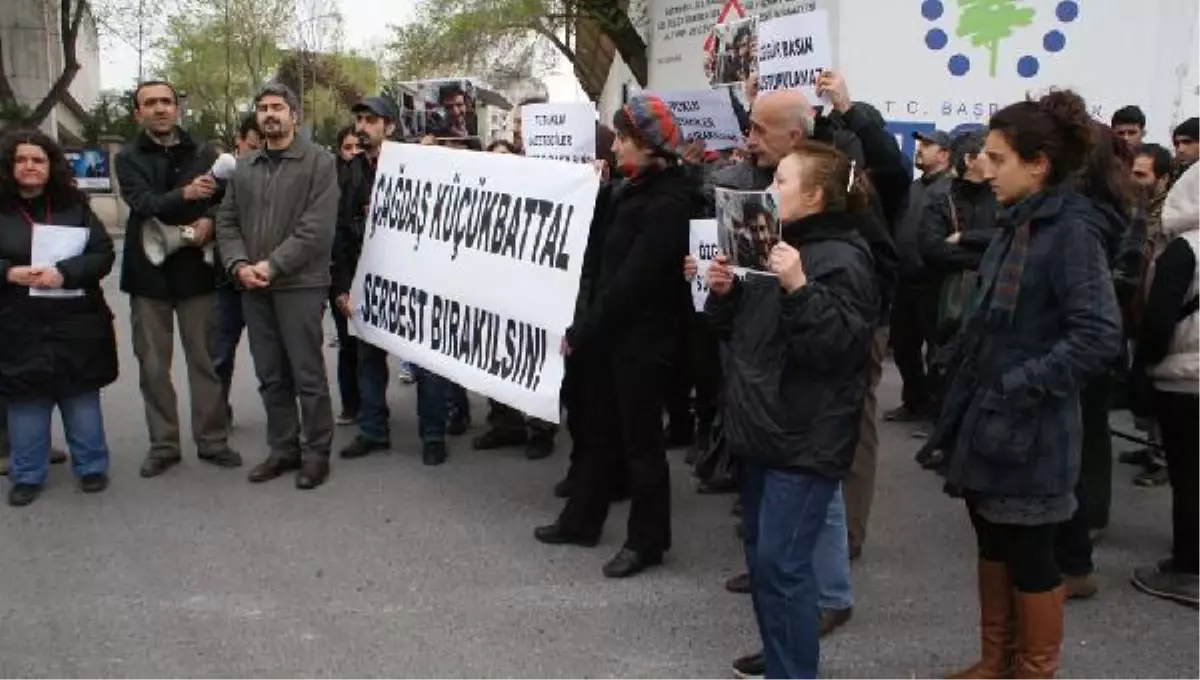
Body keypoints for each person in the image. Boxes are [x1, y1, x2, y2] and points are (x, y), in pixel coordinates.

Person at [931, 90, 1122, 678]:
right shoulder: (1017, 223)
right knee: (992, 541)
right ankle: (996, 662)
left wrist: (1019, 384)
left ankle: (1034, 670)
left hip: (1031, 427)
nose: (982, 168)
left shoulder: (1071, 232)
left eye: (997, 157)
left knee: (1033, 555)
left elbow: (1096, 335)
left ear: (1037, 163)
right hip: (988, 422)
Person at [705, 141, 879, 680]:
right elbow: (744, 333)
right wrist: (725, 292)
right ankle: (783, 656)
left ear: (815, 195)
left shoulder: (843, 258)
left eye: (781, 181)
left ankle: (792, 669)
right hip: (763, 426)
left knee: (782, 567)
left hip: (804, 438)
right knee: (766, 565)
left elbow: (841, 349)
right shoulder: (773, 244)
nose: (769, 190)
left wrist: (799, 287)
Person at [534, 94, 690, 579]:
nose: (616, 146)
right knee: (597, 433)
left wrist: (583, 330)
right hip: (610, 338)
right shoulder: (630, 188)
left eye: (623, 138)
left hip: (643, 344)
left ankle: (647, 541)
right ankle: (582, 519)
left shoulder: (669, 202)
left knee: (642, 448)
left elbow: (631, 283)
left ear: (648, 146)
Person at [215, 82, 339, 490]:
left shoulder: (319, 162)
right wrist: (238, 265)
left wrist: (272, 265)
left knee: (307, 374)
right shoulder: (245, 166)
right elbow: (227, 221)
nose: (270, 114)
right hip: (252, 285)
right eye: (263, 108)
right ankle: (284, 448)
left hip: (300, 284)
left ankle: (316, 452)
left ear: (294, 115)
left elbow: (316, 228)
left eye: (278, 107)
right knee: (270, 374)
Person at [115, 80, 241, 477]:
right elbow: (143, 204)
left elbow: (225, 200)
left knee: (205, 361)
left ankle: (212, 440)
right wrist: (185, 196)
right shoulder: (128, 157)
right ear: (138, 113)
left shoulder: (204, 152)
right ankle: (164, 445)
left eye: (166, 102)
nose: (159, 108)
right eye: (149, 103)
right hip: (147, 276)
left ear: (177, 108)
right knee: (153, 367)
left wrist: (208, 219)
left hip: (196, 272)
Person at [0, 129, 119, 506]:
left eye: (38, 160)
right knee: (26, 401)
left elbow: (102, 254)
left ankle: (91, 466)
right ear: (9, 166)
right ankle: (27, 474)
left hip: (75, 319)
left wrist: (65, 273)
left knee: (80, 395)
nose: (30, 166)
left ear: (51, 166)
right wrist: (8, 272)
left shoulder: (76, 206)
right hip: (17, 320)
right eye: (22, 160)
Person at [333, 96, 452, 466]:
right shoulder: (349, 173)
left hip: (417, 282)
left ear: (390, 127)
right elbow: (339, 233)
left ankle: (432, 435)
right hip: (369, 283)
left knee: (426, 361)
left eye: (371, 120)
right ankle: (373, 430)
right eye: (359, 120)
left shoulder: (419, 166)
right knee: (369, 360)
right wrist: (342, 287)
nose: (362, 127)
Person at [1129, 161, 1200, 608]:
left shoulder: (1184, 251)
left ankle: (1188, 567)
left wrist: (1141, 373)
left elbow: (1157, 323)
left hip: (1186, 381)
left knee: (1189, 477)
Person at [914, 129, 998, 468]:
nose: (994, 163)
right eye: (988, 155)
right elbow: (932, 249)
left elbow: (1007, 237)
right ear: (969, 159)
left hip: (991, 297)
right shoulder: (941, 198)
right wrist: (983, 255)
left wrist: (966, 237)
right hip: (947, 299)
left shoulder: (1003, 196)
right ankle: (946, 441)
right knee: (946, 364)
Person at [471, 135, 558, 460]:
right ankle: (505, 423)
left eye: (506, 157)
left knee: (533, 360)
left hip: (530, 294)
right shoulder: (477, 201)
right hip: (491, 293)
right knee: (495, 359)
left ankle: (540, 428)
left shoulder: (536, 196)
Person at [887, 129, 953, 424]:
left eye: (928, 145)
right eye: (919, 144)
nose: (920, 149)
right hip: (905, 279)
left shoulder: (951, 189)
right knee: (903, 345)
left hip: (933, 280)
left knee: (937, 351)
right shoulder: (914, 188)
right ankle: (914, 401)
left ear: (945, 154)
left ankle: (937, 415)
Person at [211, 112, 261, 422]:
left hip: (267, 279)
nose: (256, 155)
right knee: (219, 354)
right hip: (226, 281)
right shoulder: (216, 180)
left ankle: (284, 429)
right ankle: (216, 416)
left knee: (274, 359)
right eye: (251, 147)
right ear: (238, 145)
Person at [329, 124, 362, 426]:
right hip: (342, 276)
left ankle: (372, 409)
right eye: (347, 148)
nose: (353, 154)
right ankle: (351, 405)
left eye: (358, 148)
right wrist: (340, 287)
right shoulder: (331, 185)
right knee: (347, 343)